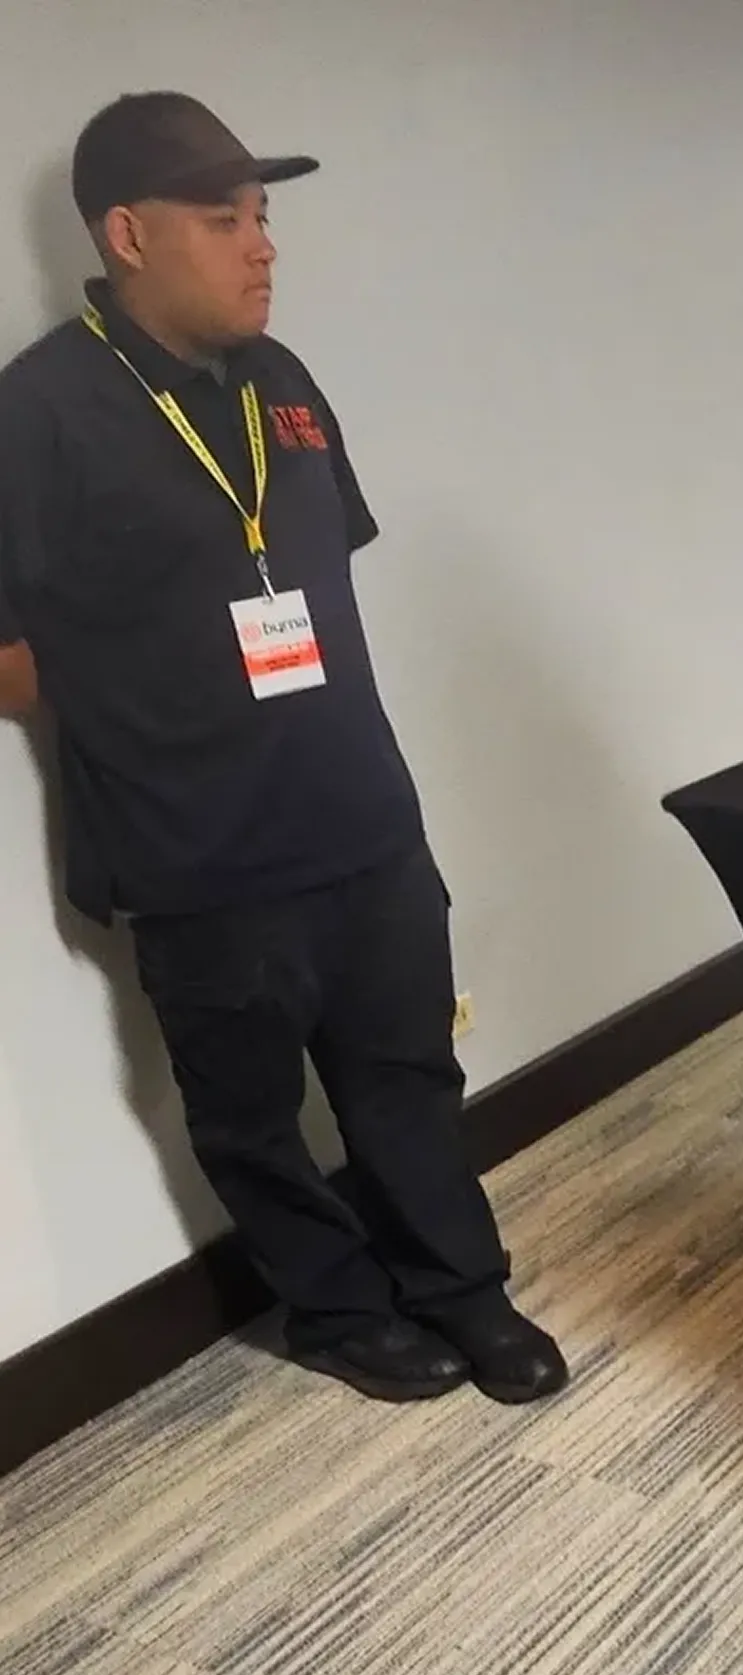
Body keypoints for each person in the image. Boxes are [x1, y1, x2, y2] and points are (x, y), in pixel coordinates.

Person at [0, 93, 566, 1407]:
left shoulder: (283, 384)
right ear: (129, 234)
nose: (262, 245)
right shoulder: (39, 413)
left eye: (263, 216)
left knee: (408, 1079)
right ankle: (338, 1309)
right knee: (251, 1117)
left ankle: (462, 1293)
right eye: (225, 218)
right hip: (195, 855)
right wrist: (126, 676)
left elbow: (310, 571)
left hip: (361, 819)